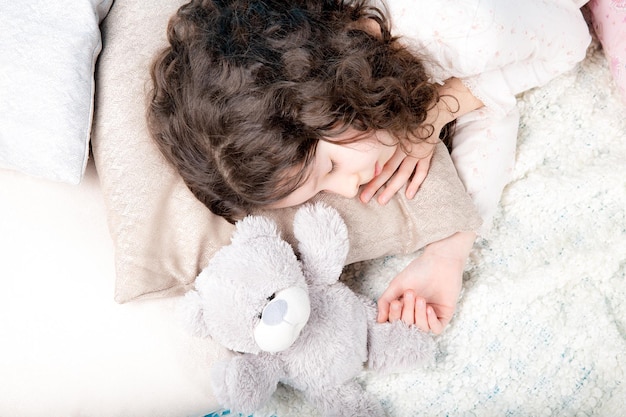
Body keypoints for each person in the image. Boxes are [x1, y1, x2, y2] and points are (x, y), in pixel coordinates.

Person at [147, 0, 591, 334]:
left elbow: (569, 38)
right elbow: (492, 107)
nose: (348, 189)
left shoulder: (453, 26)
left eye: (332, 166)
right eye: (322, 188)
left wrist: (438, 110)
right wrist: (446, 254)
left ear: (326, 94)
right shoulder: (344, 50)